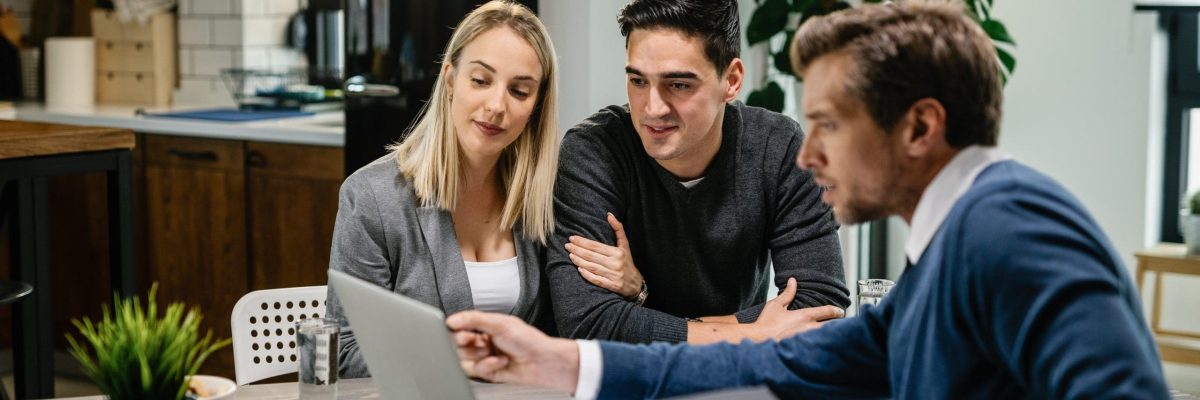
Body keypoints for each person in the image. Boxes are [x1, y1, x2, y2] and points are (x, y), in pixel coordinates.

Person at [446, 1, 1171, 398]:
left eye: (829, 123)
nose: (809, 151)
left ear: (918, 127)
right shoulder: (946, 251)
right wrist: (558, 363)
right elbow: (779, 360)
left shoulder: (1012, 227)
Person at [550, 0, 849, 345]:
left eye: (678, 84)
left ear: (732, 80)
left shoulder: (778, 148)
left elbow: (821, 304)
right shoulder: (595, 150)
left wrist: (642, 300)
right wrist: (752, 332)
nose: (652, 108)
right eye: (638, 81)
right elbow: (586, 323)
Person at [324, 0, 562, 378]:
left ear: (536, 105)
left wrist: (634, 285)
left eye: (519, 91)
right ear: (450, 80)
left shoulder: (546, 198)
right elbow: (345, 352)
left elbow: (564, 331)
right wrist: (448, 357)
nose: (496, 105)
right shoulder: (372, 197)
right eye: (480, 81)